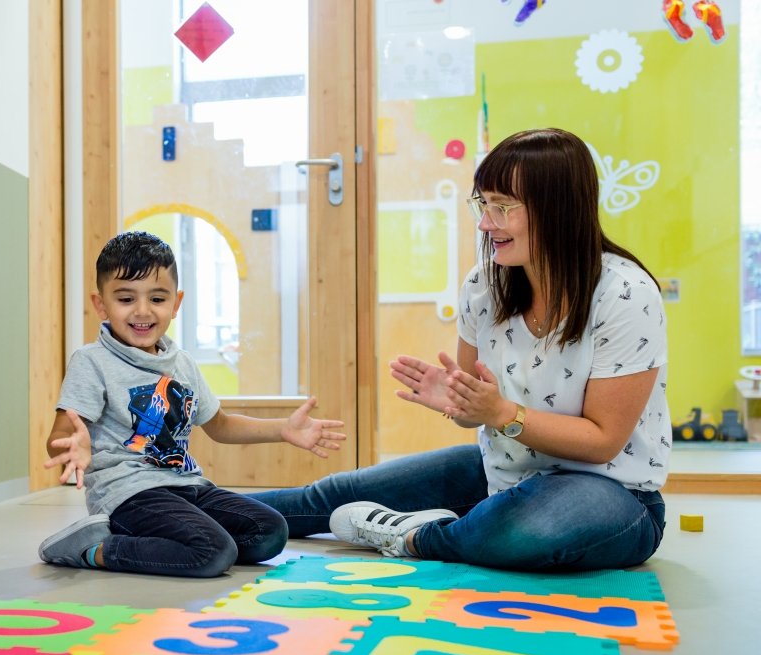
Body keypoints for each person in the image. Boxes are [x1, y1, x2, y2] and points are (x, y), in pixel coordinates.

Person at [251, 128, 669, 572]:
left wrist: (501, 415)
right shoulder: (484, 284)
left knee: (523, 531)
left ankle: (414, 537)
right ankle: (200, 505)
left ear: (558, 210)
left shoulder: (626, 293)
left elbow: (603, 441)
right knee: (332, 495)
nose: (486, 223)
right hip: (502, 476)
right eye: (482, 204)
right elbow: (477, 409)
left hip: (614, 493)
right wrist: (460, 402)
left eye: (502, 207)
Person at [38, 230, 346, 578]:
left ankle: (165, 537)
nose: (142, 311)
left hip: (187, 485)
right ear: (101, 304)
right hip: (128, 494)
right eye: (125, 299)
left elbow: (221, 425)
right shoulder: (92, 361)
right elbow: (60, 438)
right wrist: (73, 449)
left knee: (270, 531)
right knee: (213, 552)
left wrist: (282, 429)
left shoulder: (181, 362)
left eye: (157, 298)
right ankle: (94, 548)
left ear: (176, 302)